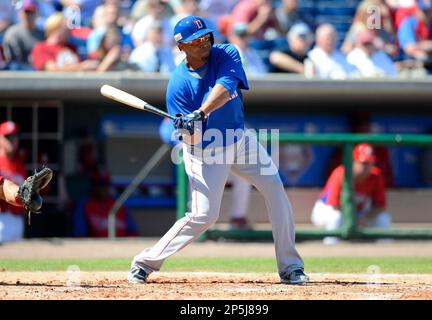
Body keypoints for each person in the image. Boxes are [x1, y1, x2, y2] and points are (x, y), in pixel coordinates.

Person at [128, 16, 308, 285]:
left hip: (240, 138)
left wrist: (199, 112)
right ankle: (145, 262)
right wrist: (188, 129)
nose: (204, 43)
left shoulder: (226, 53)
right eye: (196, 41)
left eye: (206, 37)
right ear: (182, 47)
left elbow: (226, 87)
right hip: (206, 150)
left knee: (276, 190)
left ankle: (291, 266)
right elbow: (191, 143)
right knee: (204, 216)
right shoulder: (178, 87)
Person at [159, 117, 252, 229]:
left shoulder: (226, 113)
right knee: (192, 178)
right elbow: (167, 131)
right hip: (199, 166)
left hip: (222, 166)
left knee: (243, 176)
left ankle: (238, 217)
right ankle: (193, 218)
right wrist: (182, 143)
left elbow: (247, 135)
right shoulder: (184, 113)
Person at [311, 143, 392, 245]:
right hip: (326, 210)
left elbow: (380, 206)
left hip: (358, 214)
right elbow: (334, 205)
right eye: (363, 163)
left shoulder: (376, 175)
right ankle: (331, 249)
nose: (366, 167)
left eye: (369, 163)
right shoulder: (341, 173)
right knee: (336, 218)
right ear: (353, 162)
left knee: (383, 219)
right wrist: (352, 220)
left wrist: (363, 218)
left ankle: (385, 254)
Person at [73, 170, 138, 237]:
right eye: (99, 184)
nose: (102, 188)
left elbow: (132, 232)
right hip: (96, 245)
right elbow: (80, 235)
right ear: (93, 185)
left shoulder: (119, 204)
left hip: (122, 245)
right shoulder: (84, 205)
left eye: (105, 184)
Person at [31, 12, 99, 71]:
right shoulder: (41, 47)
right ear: (56, 29)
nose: (70, 31)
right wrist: (81, 67)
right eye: (66, 28)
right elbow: (52, 69)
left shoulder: (71, 47)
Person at [397, 0, 432, 74]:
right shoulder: (409, 23)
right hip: (415, 63)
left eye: (430, 10)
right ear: (418, 9)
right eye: (425, 11)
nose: (428, 14)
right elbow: (410, 49)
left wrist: (429, 46)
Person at [0, 121, 27, 242]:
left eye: (14, 137)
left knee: (17, 259)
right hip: (2, 218)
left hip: (18, 218)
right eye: (7, 137)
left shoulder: (20, 164)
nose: (11, 140)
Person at [2, 0, 45, 70]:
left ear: (37, 14)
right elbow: (12, 59)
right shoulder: (13, 33)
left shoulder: (42, 33)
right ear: (20, 14)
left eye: (32, 12)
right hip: (18, 68)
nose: (29, 15)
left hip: (36, 67)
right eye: (26, 12)